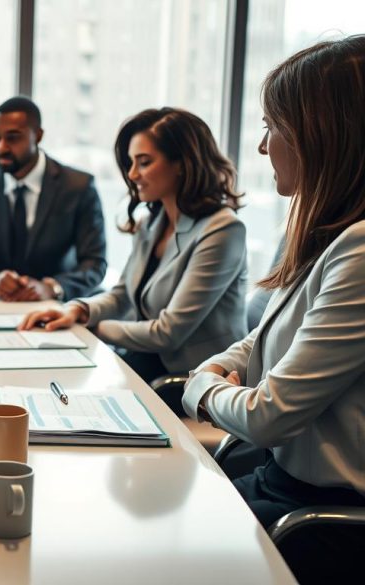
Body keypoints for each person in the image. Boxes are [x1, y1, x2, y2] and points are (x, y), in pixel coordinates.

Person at [182, 36, 365, 583]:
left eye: (272, 127)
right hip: (279, 486)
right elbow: (262, 336)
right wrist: (217, 368)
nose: (263, 148)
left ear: (322, 133)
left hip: (319, 520)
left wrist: (201, 388)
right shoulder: (326, 233)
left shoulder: (359, 249)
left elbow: (269, 415)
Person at [20, 108, 248, 382]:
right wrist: (77, 310)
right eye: (130, 162)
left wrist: (91, 326)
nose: (132, 174)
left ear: (182, 163)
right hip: (147, 361)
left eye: (144, 162)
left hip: (195, 377)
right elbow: (121, 295)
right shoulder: (152, 222)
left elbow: (169, 332)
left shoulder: (222, 230)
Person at [0, 96, 106, 301]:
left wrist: (52, 288)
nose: (0, 147)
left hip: (56, 308)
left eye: (13, 138)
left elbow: (94, 263)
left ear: (38, 136)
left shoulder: (78, 186)